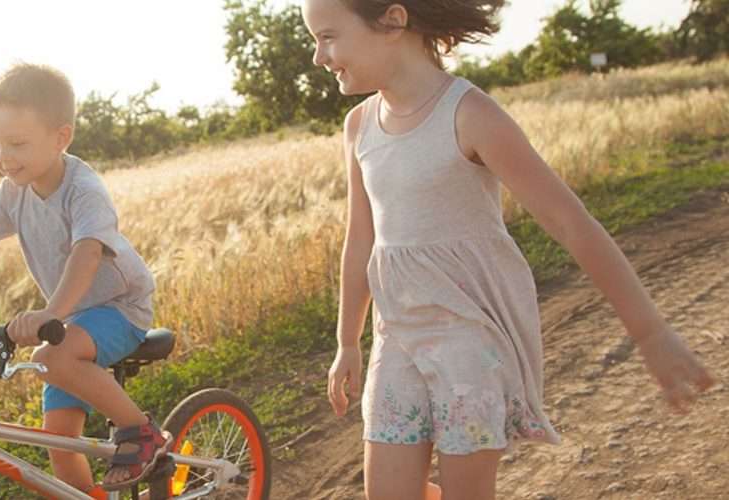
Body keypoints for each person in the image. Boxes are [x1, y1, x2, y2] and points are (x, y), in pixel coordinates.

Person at [300, 1, 716, 499]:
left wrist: (650, 332)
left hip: (471, 347)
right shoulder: (359, 126)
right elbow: (360, 241)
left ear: (392, 20)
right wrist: (348, 340)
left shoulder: (469, 113)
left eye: (327, 36)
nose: (318, 57)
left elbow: (571, 222)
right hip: (397, 341)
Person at [0, 63, 171, 495]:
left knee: (52, 358)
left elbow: (87, 253)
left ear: (61, 137)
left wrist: (52, 313)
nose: (3, 157)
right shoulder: (13, 191)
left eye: (17, 143)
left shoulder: (83, 189)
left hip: (119, 308)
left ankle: (140, 433)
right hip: (70, 319)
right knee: (60, 444)